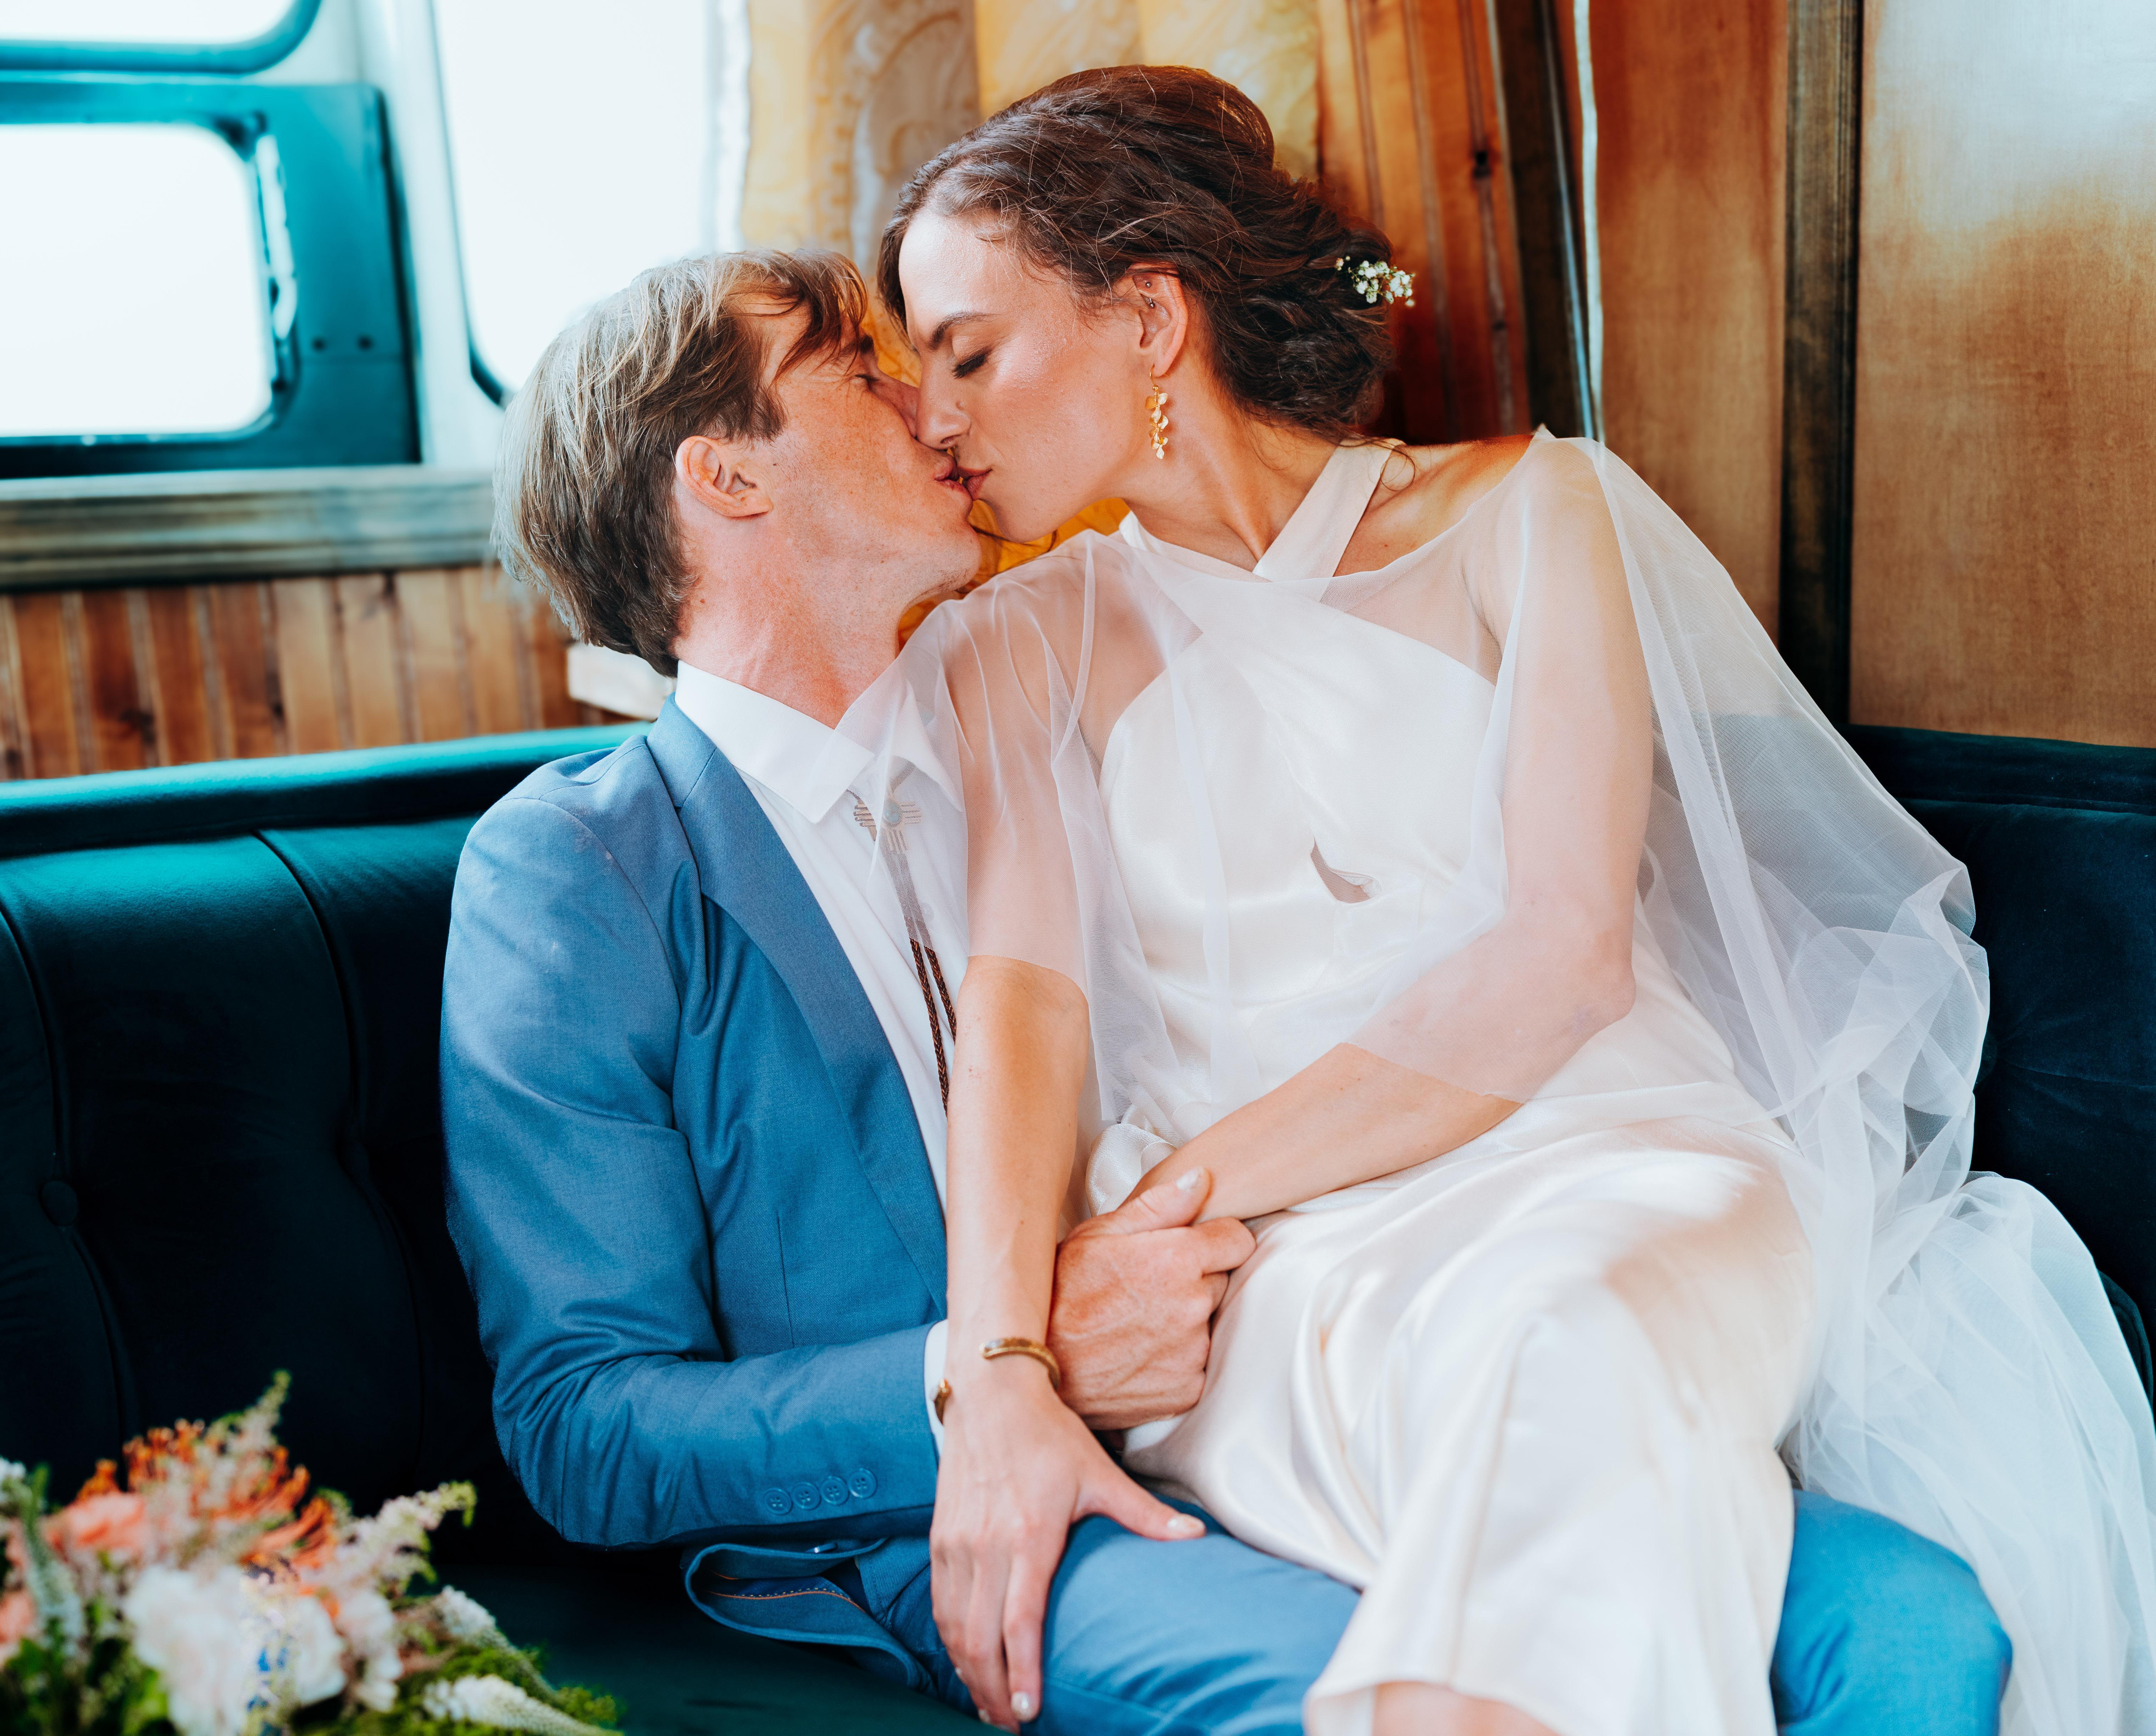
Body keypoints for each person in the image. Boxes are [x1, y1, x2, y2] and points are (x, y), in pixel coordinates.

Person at [439, 244, 2016, 1734]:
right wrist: (988, 1377)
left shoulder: (1054, 675)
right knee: (1413, 1690)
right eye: (861, 367)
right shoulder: (583, 867)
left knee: (1914, 1627)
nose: (927, 402)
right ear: (725, 476)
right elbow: (583, 1427)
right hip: (968, 1500)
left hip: (1328, 1337)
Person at [876, 65, 2154, 1736]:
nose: (933, 419)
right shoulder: (1017, 646)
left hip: (1626, 1163)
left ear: (1150, 319)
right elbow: (1023, 1013)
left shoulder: (1531, 510)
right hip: (1281, 1265)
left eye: (968, 354)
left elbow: (1560, 957)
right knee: (1563, 1409)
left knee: (1582, 1335)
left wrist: (1161, 1207)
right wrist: (1005, 1366)